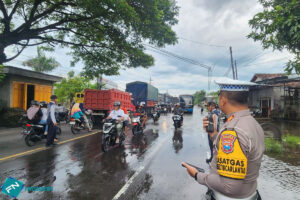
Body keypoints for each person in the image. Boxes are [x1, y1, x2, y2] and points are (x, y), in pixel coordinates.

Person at [183, 79, 264, 200]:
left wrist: (196, 175)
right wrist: (214, 135)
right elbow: (235, 149)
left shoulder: (233, 130)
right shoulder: (252, 122)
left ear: (223, 100)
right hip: (250, 194)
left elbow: (230, 187)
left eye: (219, 96)